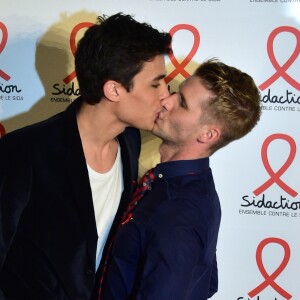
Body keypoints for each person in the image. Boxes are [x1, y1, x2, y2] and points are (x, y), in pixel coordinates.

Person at [0, 13, 171, 299]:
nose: (166, 95)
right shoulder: (24, 152)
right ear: (114, 89)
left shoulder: (130, 142)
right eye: (155, 84)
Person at [100, 58, 261, 299]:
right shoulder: (183, 186)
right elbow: (207, 281)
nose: (166, 100)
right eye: (176, 92)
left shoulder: (179, 211)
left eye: (182, 104)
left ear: (207, 134)